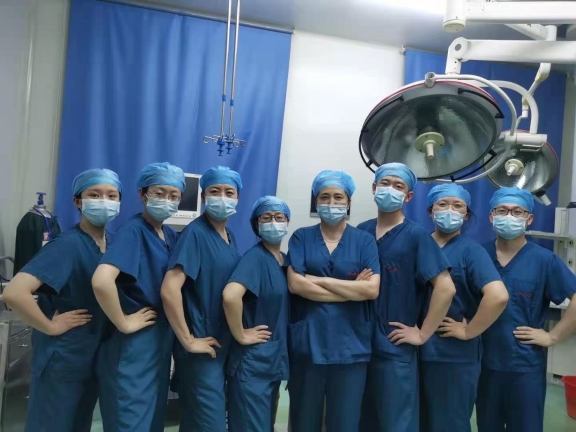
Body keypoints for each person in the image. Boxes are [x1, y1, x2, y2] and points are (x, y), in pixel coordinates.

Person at [3, 169, 122, 432]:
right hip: (63, 358)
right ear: (78, 201)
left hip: (91, 356)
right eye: (95, 195)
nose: (104, 201)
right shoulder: (67, 245)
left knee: (79, 424)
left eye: (112, 195)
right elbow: (14, 292)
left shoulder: (112, 243)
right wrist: (50, 326)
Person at [357, 162, 456, 432]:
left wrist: (422, 334)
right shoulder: (361, 232)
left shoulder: (416, 236)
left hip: (393, 347)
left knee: (396, 423)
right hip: (358, 345)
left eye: (398, 186)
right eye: (385, 183)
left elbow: (446, 288)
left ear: (409, 196)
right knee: (362, 422)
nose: (390, 189)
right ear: (374, 188)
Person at [91, 162, 184, 432]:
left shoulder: (168, 235)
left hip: (157, 342)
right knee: (130, 421)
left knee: (152, 420)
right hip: (134, 346)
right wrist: (123, 322)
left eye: (174, 195)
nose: (167, 200)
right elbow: (101, 281)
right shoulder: (133, 231)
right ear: (143, 194)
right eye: (159, 193)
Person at [476, 186, 576, 432]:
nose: (509, 216)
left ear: (529, 219)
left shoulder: (544, 260)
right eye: (502, 210)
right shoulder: (478, 255)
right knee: (487, 426)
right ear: (491, 216)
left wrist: (553, 336)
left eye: (517, 211)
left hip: (525, 367)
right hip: (483, 364)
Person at [287, 170, 380, 432]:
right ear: (316, 202)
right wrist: (351, 289)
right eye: (324, 197)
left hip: (350, 347)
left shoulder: (364, 241)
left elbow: (371, 290)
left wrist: (316, 280)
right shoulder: (301, 237)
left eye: (338, 197)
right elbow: (295, 285)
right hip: (309, 345)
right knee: (304, 422)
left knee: (345, 423)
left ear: (349, 202)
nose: (331, 202)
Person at [419, 184, 509, 432]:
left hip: (453, 357)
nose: (449, 210)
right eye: (442, 204)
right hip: (414, 352)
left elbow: (498, 296)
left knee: (449, 424)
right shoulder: (418, 244)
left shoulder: (471, 252)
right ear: (430, 211)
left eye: (457, 206)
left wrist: (469, 331)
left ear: (466, 214)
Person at [160, 166, 242, 432]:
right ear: (204, 197)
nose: (222, 197)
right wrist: (187, 340)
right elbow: (169, 289)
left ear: (238, 197)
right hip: (201, 347)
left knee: (196, 422)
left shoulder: (229, 236)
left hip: (221, 343)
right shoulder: (195, 233)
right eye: (215, 191)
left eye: (229, 192)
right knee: (211, 424)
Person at [223, 196, 291, 432]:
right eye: (266, 217)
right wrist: (241, 334)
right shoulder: (255, 258)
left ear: (287, 221)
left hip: (271, 362)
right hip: (252, 365)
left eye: (279, 217)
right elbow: (230, 296)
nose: (274, 222)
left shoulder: (284, 260)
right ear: (256, 224)